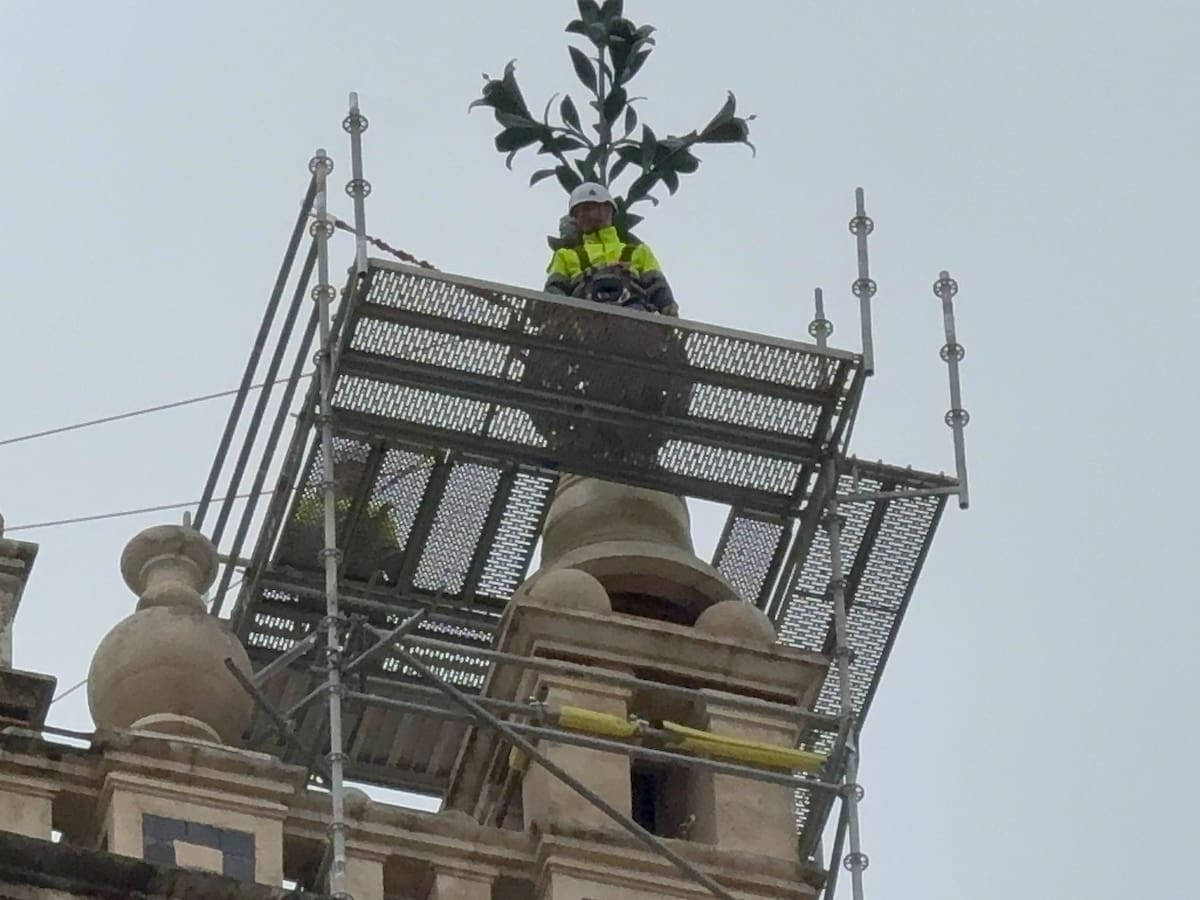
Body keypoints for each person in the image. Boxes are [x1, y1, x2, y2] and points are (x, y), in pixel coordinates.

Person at [544, 182, 678, 316]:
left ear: (607, 209)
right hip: (584, 319)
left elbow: (657, 285)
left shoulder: (638, 251)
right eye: (577, 213)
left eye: (587, 208)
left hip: (634, 318)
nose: (581, 215)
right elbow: (554, 291)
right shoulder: (565, 256)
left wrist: (668, 309)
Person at [281, 455, 404, 586]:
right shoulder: (310, 504)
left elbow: (388, 549)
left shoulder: (376, 510)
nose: (356, 472)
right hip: (314, 568)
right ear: (336, 469)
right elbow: (294, 536)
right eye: (351, 466)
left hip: (357, 572)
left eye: (360, 467)